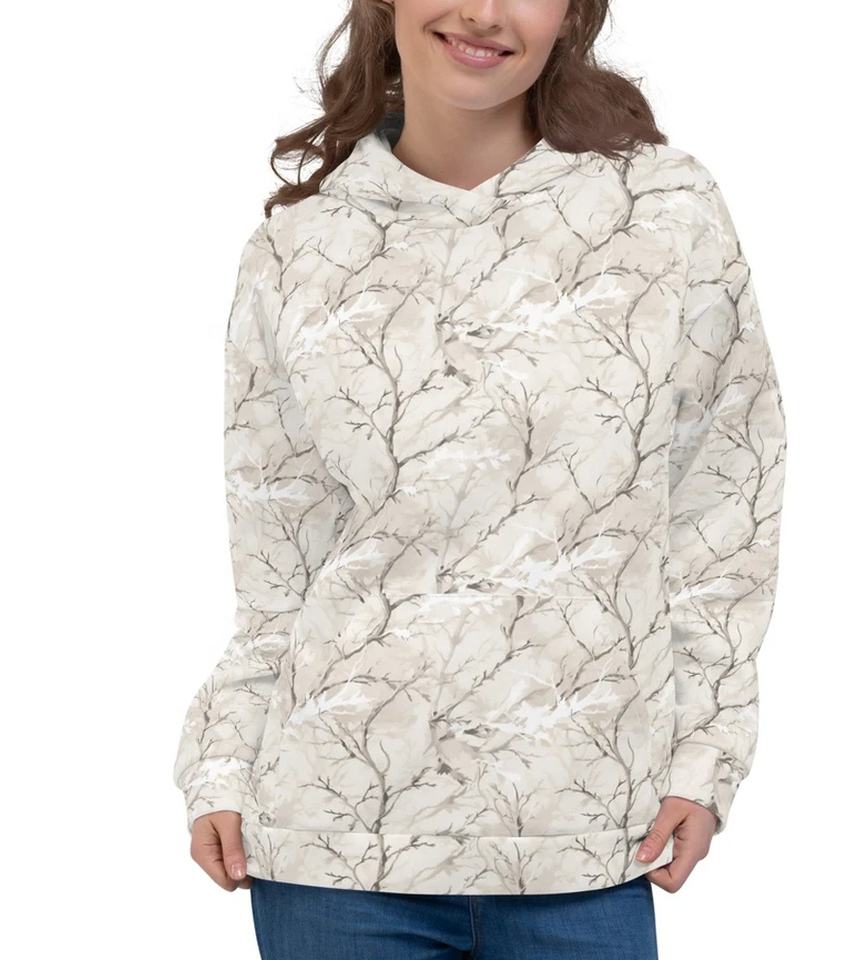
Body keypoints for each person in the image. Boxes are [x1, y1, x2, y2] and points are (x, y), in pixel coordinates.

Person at [171, 1, 788, 957]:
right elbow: (276, 557)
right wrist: (221, 762)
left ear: (571, 13)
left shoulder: (664, 211)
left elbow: (723, 506)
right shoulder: (300, 247)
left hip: (585, 837)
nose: (485, 12)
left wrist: (707, 754)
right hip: (332, 847)